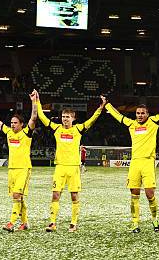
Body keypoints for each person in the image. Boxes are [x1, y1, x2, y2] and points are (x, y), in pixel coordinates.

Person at [35, 90, 106, 233]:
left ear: (73, 118)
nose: (65, 119)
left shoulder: (78, 129)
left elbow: (92, 120)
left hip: (73, 168)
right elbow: (42, 117)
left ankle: (73, 223)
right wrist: (37, 101)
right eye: (63, 116)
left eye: (68, 117)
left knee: (74, 195)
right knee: (55, 195)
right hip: (60, 167)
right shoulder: (56, 128)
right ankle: (52, 223)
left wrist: (101, 107)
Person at [105, 91, 159, 233]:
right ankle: (135, 223)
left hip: (148, 162)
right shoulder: (131, 124)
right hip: (135, 162)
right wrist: (107, 105)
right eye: (138, 113)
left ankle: (155, 221)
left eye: (142, 113)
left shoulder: (153, 122)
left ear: (147, 114)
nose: (140, 115)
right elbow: (118, 116)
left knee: (150, 194)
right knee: (134, 193)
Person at [0, 92, 37, 232]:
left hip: (23, 169)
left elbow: (34, 117)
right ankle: (25, 223)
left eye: (15, 123)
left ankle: (11, 223)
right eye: (11, 123)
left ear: (21, 124)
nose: (12, 125)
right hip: (12, 169)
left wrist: (34, 102)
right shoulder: (8, 132)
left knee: (16, 195)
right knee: (19, 198)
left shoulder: (26, 133)